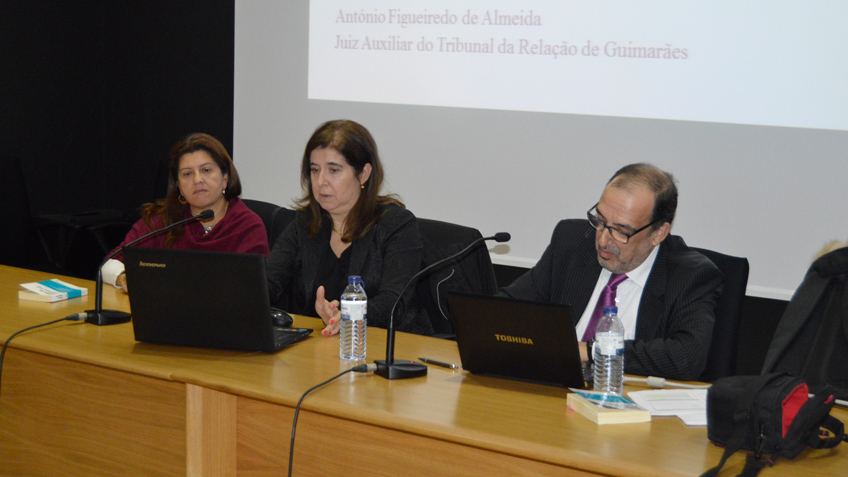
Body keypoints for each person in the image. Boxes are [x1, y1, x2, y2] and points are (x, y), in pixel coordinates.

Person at [499, 163, 722, 380]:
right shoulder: (572, 241)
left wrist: (592, 351)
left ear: (658, 233)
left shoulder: (690, 275)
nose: (603, 240)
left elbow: (686, 356)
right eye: (600, 220)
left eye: (621, 231)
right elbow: (505, 308)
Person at [266, 120, 433, 337]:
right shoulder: (304, 224)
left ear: (363, 174)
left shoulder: (396, 225)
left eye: (334, 170)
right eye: (315, 170)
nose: (320, 181)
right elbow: (269, 282)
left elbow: (393, 302)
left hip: (388, 348)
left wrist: (347, 316)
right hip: (321, 347)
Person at [102, 133, 270, 291]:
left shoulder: (247, 226)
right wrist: (124, 277)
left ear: (225, 178)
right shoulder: (162, 221)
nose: (197, 180)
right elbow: (111, 263)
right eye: (187, 174)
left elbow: (254, 288)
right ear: (179, 186)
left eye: (206, 170)